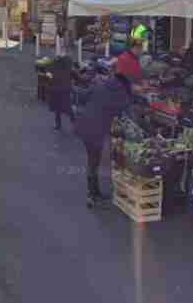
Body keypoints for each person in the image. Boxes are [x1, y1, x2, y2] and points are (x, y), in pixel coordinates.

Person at [74, 71, 133, 207]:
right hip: (96, 130)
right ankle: (92, 195)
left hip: (84, 125)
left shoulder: (100, 85)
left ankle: (95, 192)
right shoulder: (121, 94)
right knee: (93, 162)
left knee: (92, 160)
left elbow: (83, 96)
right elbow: (127, 113)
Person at [49, 56, 75, 131]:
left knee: (57, 108)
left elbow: (50, 74)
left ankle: (58, 124)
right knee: (68, 108)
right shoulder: (69, 70)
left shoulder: (55, 68)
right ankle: (74, 123)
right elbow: (79, 77)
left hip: (55, 90)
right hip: (65, 90)